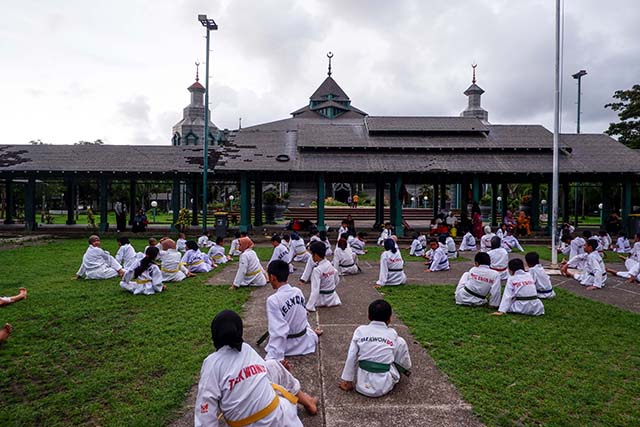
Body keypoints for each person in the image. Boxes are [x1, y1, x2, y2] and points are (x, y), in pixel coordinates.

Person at [194, 310, 318, 427]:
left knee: (272, 365)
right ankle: (307, 401)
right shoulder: (246, 349)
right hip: (279, 419)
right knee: (274, 366)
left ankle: (308, 401)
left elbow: (205, 408)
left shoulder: (212, 363)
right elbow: (259, 376)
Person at [338, 299, 411, 398]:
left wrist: (348, 380)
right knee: (399, 344)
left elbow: (351, 356)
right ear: (390, 318)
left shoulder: (360, 331)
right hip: (384, 384)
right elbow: (405, 364)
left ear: (368, 316)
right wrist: (404, 368)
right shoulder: (393, 336)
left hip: (362, 384)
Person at [264, 260, 320, 361]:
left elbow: (278, 331)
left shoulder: (273, 300)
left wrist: (273, 358)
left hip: (288, 347)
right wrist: (311, 331)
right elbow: (302, 316)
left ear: (272, 277)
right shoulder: (297, 291)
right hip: (305, 342)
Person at [306, 241, 341, 312]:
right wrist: (332, 287)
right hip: (332, 298)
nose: (311, 256)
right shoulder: (329, 264)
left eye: (312, 254)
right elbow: (336, 275)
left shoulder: (317, 270)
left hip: (322, 300)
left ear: (315, 255)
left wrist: (309, 306)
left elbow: (315, 290)